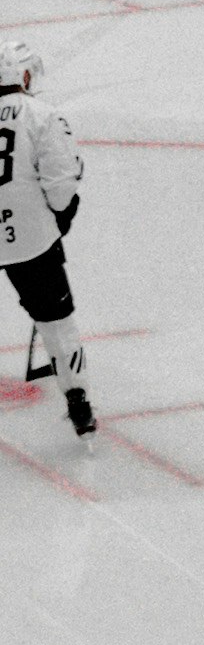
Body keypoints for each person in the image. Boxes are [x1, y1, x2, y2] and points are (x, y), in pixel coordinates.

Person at [0, 42, 95, 439]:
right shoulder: (42, 116)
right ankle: (78, 402)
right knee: (58, 325)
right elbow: (60, 188)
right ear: (22, 76)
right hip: (31, 241)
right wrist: (61, 219)